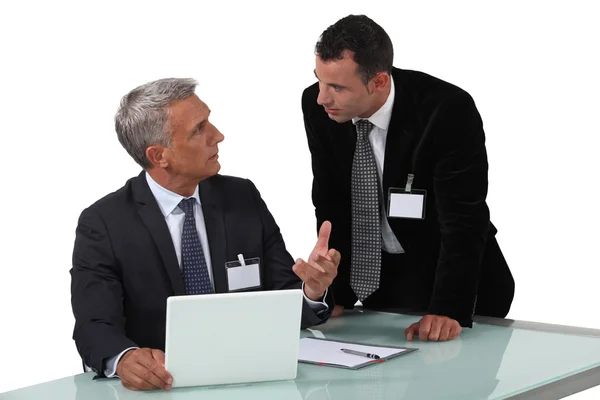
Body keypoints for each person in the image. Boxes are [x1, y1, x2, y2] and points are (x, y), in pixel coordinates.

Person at [70, 78, 339, 391]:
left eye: (208, 120)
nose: (218, 135)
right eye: (199, 129)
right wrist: (126, 358)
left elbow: (283, 298)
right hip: (163, 387)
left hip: (251, 381)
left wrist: (312, 290)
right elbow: (94, 326)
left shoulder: (241, 197)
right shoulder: (104, 223)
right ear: (159, 156)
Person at [301, 14, 514, 342]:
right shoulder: (318, 108)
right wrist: (337, 291)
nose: (322, 97)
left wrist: (448, 309)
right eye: (319, 80)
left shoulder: (446, 110)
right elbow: (331, 200)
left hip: (463, 286)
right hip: (384, 287)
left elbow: (464, 221)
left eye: (337, 87)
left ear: (380, 82)